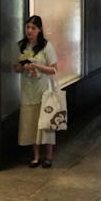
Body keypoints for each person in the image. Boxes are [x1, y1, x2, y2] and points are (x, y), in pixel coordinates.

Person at [13, 15, 60, 168]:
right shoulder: (21, 46)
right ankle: (35, 156)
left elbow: (54, 69)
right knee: (31, 124)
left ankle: (49, 156)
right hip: (28, 91)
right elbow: (16, 68)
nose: (30, 31)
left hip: (44, 91)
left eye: (33, 28)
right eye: (28, 27)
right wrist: (22, 67)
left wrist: (37, 66)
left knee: (46, 124)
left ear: (39, 30)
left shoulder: (46, 46)